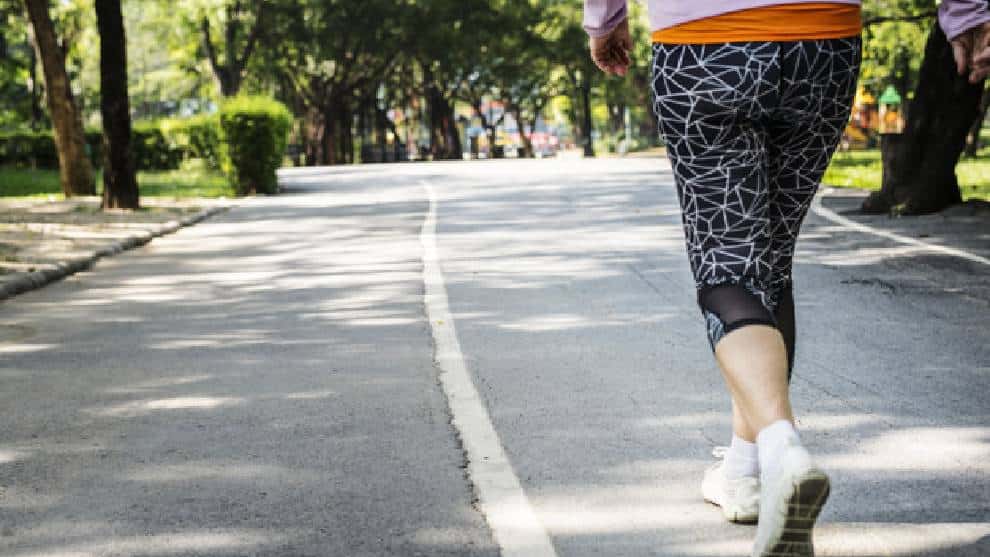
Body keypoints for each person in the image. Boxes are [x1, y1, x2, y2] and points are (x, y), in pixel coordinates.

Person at [581, 1, 990, 556]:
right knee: (770, 260)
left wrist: (604, 19)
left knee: (729, 267)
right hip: (823, 45)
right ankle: (744, 471)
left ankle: (780, 447)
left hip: (704, 48)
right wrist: (965, 12)